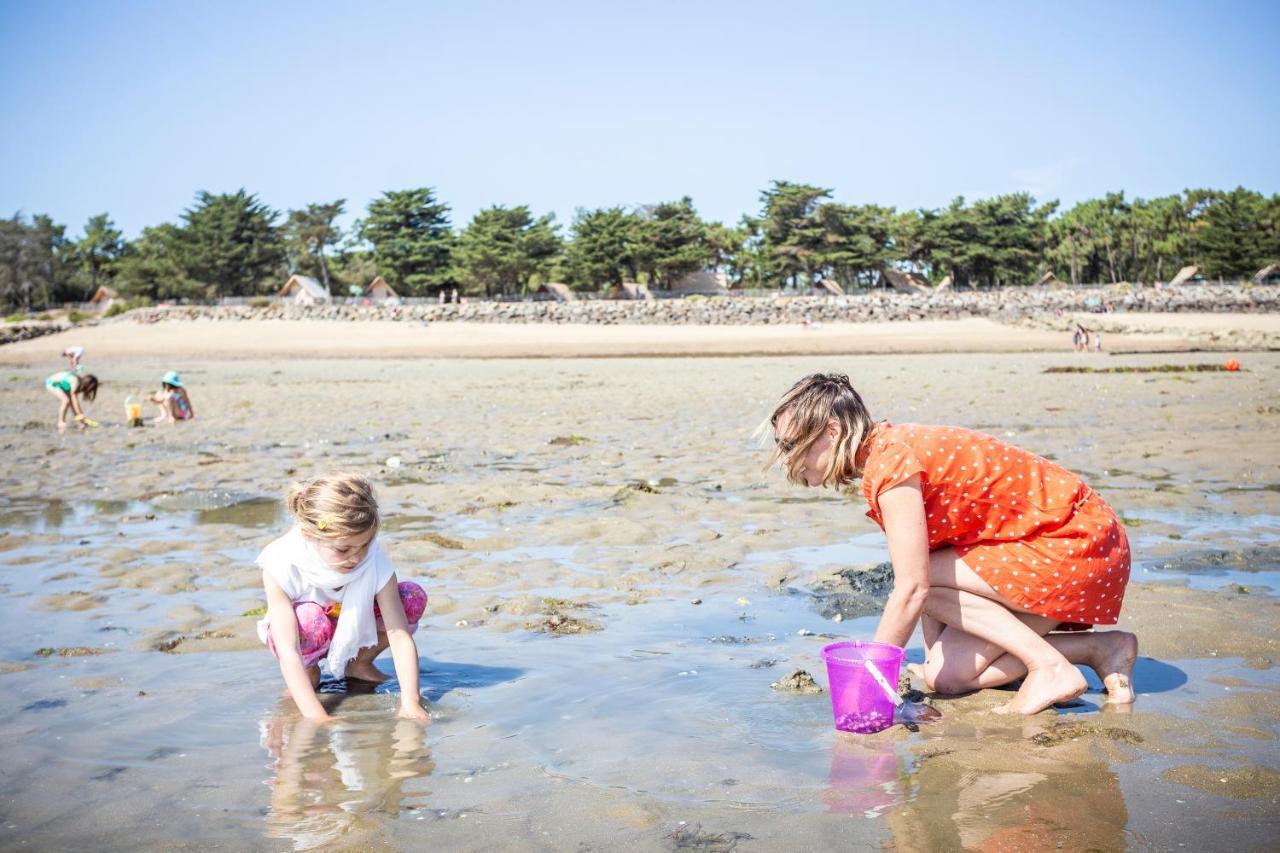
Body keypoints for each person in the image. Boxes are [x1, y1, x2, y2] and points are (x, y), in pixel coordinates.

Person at [765, 373, 1137, 715]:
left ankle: (1050, 667)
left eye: (790, 444)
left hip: (1077, 542)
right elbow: (934, 557)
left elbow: (914, 587)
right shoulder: (887, 451)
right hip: (1070, 550)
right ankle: (1102, 649)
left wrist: (871, 679)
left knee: (915, 582)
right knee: (947, 677)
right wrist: (931, 663)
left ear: (831, 431)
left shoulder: (891, 464)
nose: (786, 459)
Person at [257, 472, 430, 723]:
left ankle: (359, 664)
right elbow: (288, 650)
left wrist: (410, 702)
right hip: (306, 634)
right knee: (309, 622)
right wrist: (317, 716)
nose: (357, 558)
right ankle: (309, 674)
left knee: (411, 596)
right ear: (309, 534)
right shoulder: (282, 563)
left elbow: (399, 635)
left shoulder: (374, 561)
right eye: (343, 549)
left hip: (353, 623)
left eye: (364, 546)